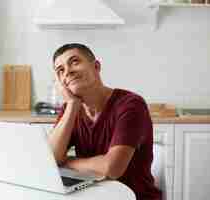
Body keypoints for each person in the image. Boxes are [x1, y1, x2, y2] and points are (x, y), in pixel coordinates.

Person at [49, 43, 162, 200]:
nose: (68, 71)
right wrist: (73, 105)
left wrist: (67, 162)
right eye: (60, 70)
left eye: (74, 62)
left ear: (96, 66)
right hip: (93, 195)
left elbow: (112, 168)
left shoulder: (130, 104)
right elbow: (50, 159)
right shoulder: (71, 109)